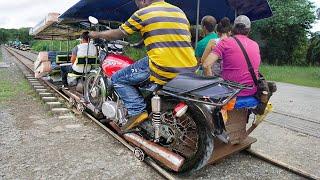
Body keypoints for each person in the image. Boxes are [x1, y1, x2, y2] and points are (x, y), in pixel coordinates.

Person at [89, 0, 197, 131]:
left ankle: (137, 112)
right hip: (189, 69)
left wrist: (96, 34)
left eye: (137, 2)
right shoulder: (178, 12)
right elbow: (168, 34)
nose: (137, 5)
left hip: (163, 67)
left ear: (144, 0)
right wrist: (139, 44)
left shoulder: (143, 13)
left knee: (117, 79)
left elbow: (119, 33)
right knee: (139, 67)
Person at [202, 15, 261, 97]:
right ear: (249, 30)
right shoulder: (255, 45)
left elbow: (206, 65)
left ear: (233, 28)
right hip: (251, 91)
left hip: (229, 93)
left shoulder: (225, 43)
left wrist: (213, 88)